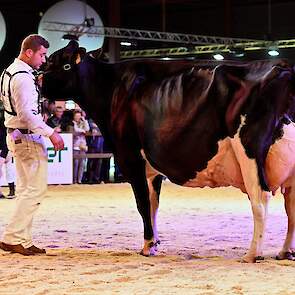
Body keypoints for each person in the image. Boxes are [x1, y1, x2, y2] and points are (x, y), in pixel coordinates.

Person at [0, 34, 64, 256]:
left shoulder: (10, 72)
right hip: (27, 138)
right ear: (29, 52)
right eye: (42, 54)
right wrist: (51, 133)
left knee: (26, 189)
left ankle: (22, 240)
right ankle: (12, 237)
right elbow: (27, 114)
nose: (44, 60)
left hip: (17, 135)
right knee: (35, 189)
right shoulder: (23, 77)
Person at [72, 109, 89, 184]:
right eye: (76, 116)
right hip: (75, 146)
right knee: (75, 164)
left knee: (82, 164)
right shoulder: (72, 123)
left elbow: (87, 129)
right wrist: (82, 131)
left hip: (83, 146)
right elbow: (75, 130)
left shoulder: (83, 123)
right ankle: (74, 180)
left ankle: (79, 180)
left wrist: (84, 120)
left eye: (79, 116)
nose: (78, 118)